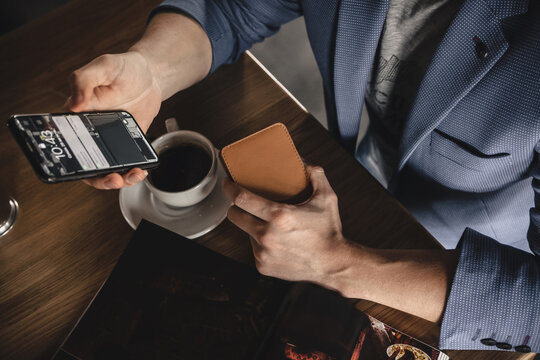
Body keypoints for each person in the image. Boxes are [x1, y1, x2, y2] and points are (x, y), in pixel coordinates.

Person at [66, 0, 540, 353]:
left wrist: (339, 264)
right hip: (350, 178)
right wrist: (150, 69)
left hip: (462, 266)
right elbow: (230, 9)